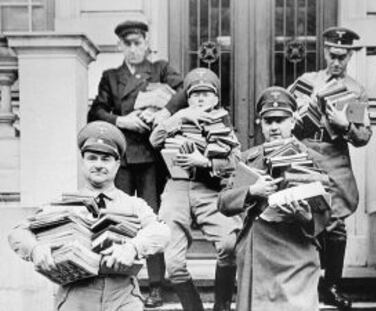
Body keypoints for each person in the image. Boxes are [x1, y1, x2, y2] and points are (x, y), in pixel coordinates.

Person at [8, 121, 171, 311]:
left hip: (123, 297)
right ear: (83, 162)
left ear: (117, 164)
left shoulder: (134, 205)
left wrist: (133, 247)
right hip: (76, 297)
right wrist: (35, 249)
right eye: (92, 158)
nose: (99, 165)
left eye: (106, 159)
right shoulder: (63, 206)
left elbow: (162, 232)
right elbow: (18, 233)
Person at [87, 20, 186, 307]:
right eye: (127, 44)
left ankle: (156, 285)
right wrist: (122, 120)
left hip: (151, 157)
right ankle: (117, 279)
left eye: (137, 43)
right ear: (120, 46)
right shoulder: (110, 76)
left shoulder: (161, 69)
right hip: (121, 158)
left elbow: (184, 92)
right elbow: (96, 111)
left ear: (146, 43)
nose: (133, 49)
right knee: (116, 217)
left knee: (151, 218)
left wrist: (164, 112)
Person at [218, 86, 330, 311]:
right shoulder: (249, 159)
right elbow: (223, 202)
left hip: (297, 250)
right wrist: (252, 191)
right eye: (268, 121)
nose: (274, 127)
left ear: (293, 120)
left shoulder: (314, 158)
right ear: (260, 123)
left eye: (280, 120)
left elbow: (330, 209)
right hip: (259, 248)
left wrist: (307, 216)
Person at [290, 27, 372, 310]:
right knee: (304, 217)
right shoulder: (306, 81)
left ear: (350, 55)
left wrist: (345, 124)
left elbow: (362, 137)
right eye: (332, 55)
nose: (336, 61)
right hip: (305, 152)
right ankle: (306, 282)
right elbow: (285, 118)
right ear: (324, 51)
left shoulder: (355, 90)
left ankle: (332, 285)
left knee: (336, 224)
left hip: (335, 156)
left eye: (342, 56)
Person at [149, 68, 242, 311]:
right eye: (195, 94)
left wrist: (206, 162)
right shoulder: (179, 119)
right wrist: (179, 118)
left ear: (215, 99)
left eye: (206, 94)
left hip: (210, 189)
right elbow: (155, 140)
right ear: (188, 98)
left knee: (229, 243)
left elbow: (235, 163)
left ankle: (221, 306)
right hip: (177, 187)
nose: (200, 99)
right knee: (173, 261)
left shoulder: (224, 124)